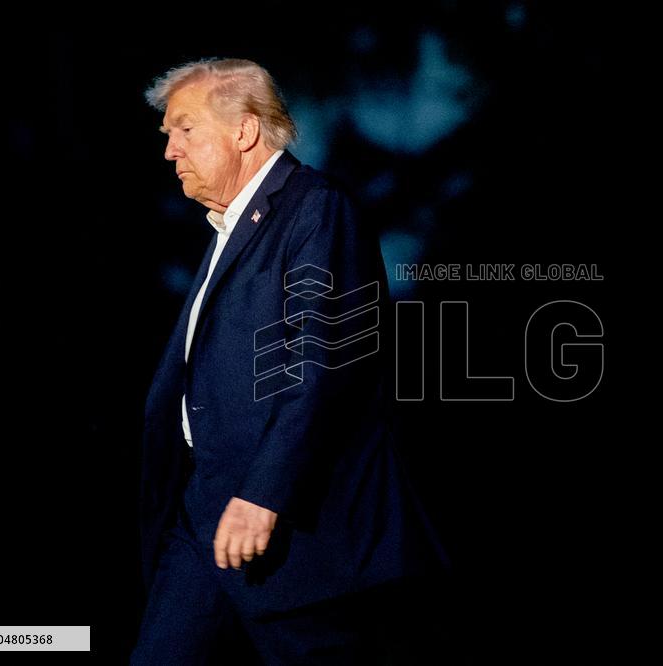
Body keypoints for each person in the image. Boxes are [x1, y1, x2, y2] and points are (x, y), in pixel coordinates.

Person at [131, 58, 447, 664]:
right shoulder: (229, 228)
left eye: (185, 129)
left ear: (244, 131)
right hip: (202, 520)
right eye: (169, 134)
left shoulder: (315, 208)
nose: (171, 150)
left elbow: (323, 365)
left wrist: (265, 495)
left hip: (288, 528)